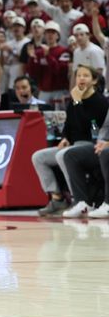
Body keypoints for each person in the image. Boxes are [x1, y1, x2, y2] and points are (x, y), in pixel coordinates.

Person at [34, 65, 109, 217]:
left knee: (64, 155)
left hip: (90, 143)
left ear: (94, 81)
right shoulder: (73, 101)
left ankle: (78, 199)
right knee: (38, 157)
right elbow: (69, 124)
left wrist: (78, 102)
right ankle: (57, 198)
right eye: (79, 75)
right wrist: (65, 138)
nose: (81, 78)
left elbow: (92, 127)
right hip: (74, 143)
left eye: (86, 76)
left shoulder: (99, 102)